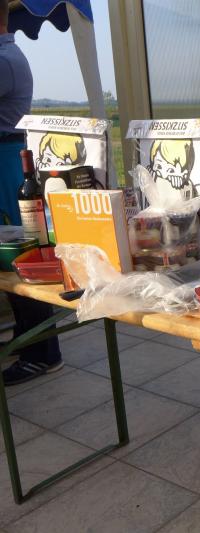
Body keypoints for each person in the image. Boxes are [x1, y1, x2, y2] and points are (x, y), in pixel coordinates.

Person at [0, 0, 63, 385]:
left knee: (20, 257)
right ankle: (27, 337)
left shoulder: (6, 60)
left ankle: (44, 353)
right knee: (8, 258)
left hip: (7, 161)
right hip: (5, 157)